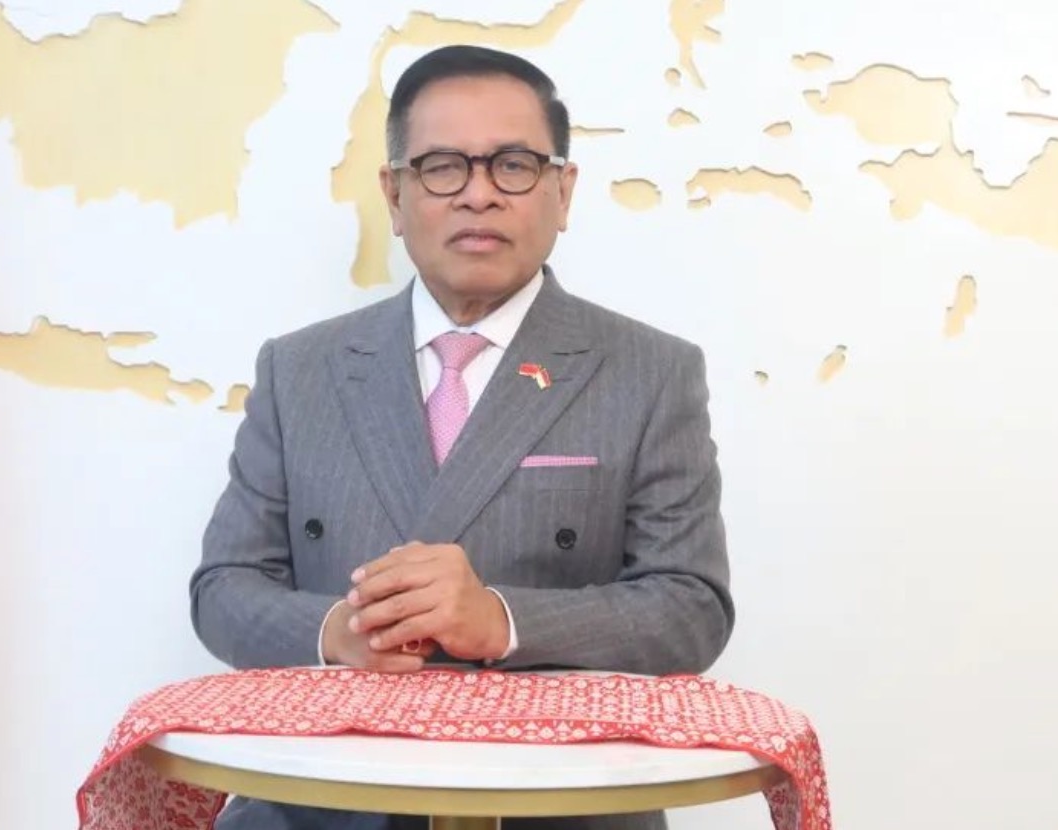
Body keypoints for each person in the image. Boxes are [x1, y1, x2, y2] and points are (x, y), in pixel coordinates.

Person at [190, 44, 734, 830]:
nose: (479, 194)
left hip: (559, 808)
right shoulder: (299, 369)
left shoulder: (649, 372)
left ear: (562, 191)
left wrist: (501, 620)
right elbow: (224, 587)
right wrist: (336, 632)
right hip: (320, 804)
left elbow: (691, 607)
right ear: (395, 194)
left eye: (513, 165)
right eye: (443, 167)